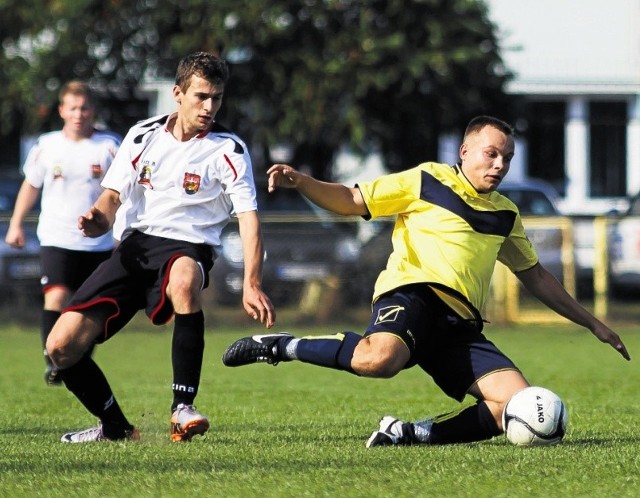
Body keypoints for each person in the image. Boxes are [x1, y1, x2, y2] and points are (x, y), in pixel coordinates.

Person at [222, 115, 630, 447]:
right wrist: (303, 182)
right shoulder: (426, 180)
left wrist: (593, 323)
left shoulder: (505, 214)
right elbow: (351, 200)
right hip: (412, 294)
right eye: (491, 154)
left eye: (506, 157)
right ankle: (281, 346)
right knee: (379, 360)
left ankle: (408, 433)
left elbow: (537, 277)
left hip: (460, 324)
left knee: (514, 402)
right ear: (465, 150)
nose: (499, 165)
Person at [46, 51, 275, 443]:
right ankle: (116, 428)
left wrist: (252, 282)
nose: (209, 107)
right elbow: (111, 200)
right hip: (135, 249)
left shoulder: (228, 149)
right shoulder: (142, 134)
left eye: (217, 98)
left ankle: (182, 407)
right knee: (60, 347)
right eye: (201, 96)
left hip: (189, 247)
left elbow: (249, 219)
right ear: (177, 93)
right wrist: (96, 220)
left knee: (185, 280)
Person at [5, 81, 120, 386]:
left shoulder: (110, 145)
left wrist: (123, 229)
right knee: (56, 297)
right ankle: (53, 362)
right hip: (57, 238)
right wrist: (17, 223)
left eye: (84, 108)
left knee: (91, 308)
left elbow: (123, 192)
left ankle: (77, 360)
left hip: (98, 243)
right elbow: (31, 185)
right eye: (73, 108)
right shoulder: (47, 145)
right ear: (62, 111)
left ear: (92, 110)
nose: (79, 114)